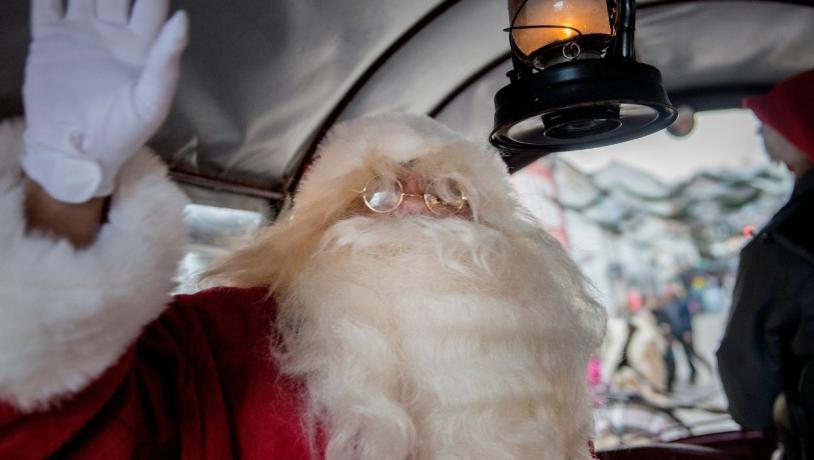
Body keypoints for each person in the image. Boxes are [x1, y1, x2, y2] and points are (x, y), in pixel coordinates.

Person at [0, 1, 606, 458]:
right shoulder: (220, 337)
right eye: (377, 193)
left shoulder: (533, 365)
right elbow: (49, 422)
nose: (417, 209)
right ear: (313, 235)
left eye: (452, 194)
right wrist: (65, 190)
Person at [717, 68, 814, 455]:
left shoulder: (780, 246)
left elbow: (751, 399)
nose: (761, 135)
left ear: (797, 128)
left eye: (768, 123)